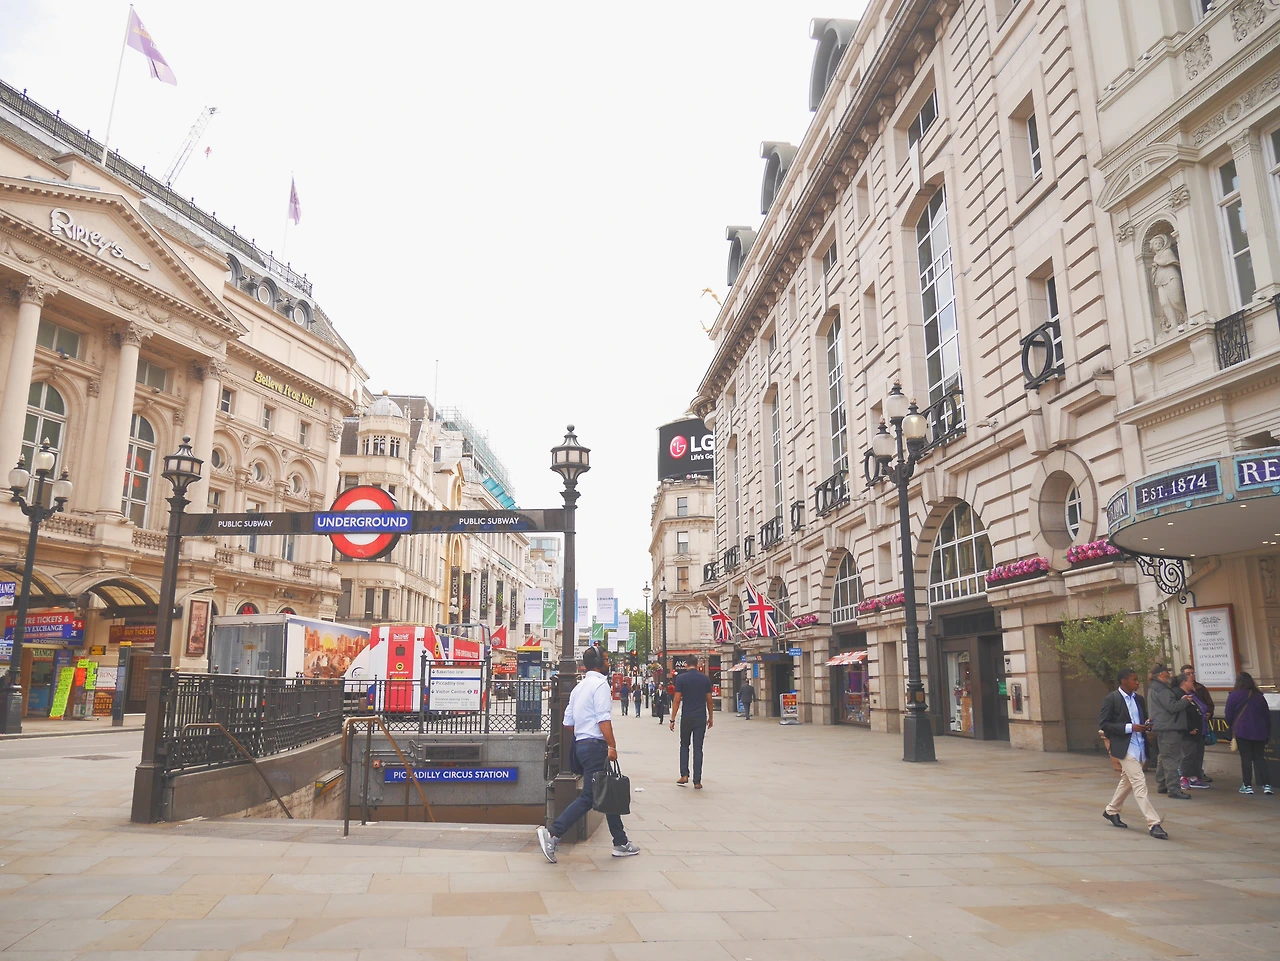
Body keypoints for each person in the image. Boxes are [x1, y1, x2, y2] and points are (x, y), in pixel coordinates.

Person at [537, 646, 640, 862]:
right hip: (595, 747)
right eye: (606, 659)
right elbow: (603, 719)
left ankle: (620, 842)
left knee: (607, 790)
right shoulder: (600, 685)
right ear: (598, 663)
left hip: (581, 745)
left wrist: (584, 732)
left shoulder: (579, 687)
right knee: (590, 796)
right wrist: (612, 746)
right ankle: (553, 833)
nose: (608, 663)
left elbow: (567, 722)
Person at [1099, 668, 1167, 839]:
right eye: (1134, 680)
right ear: (1124, 681)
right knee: (1139, 783)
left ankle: (1111, 810)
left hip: (1140, 746)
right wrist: (1130, 727)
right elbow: (1105, 724)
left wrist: (1146, 724)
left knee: (1127, 781)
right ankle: (1154, 823)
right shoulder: (1112, 699)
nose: (1137, 682)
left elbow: (1142, 720)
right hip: (1124, 747)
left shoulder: (1139, 699)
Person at [1147, 664, 1193, 799]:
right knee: (1171, 759)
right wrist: (1185, 701)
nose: (1169, 675)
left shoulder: (1154, 687)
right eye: (1167, 672)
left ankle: (1162, 784)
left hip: (1162, 727)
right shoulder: (1162, 689)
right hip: (1169, 727)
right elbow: (1172, 707)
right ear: (1161, 674)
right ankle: (1173, 789)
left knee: (1164, 757)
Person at [1224, 672, 1273, 796]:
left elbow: (1228, 715)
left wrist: (1232, 727)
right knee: (1260, 758)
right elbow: (1266, 715)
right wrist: (1267, 731)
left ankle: (1247, 785)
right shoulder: (1259, 696)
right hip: (1260, 731)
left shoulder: (1234, 695)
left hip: (1242, 731)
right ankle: (1267, 785)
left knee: (1245, 758)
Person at [670, 661, 714, 789]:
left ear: (686, 665)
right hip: (700, 717)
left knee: (684, 745)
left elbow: (677, 700)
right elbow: (709, 701)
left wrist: (672, 719)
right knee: (698, 748)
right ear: (697, 664)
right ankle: (697, 781)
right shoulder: (705, 679)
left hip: (687, 717)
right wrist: (711, 717)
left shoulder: (681, 678)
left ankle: (684, 774)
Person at [1179, 664, 1215, 784]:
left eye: (1192, 673)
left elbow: (1209, 703)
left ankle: (1198, 775)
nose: (1191, 675)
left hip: (1202, 726)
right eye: (1188, 674)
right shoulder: (1180, 692)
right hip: (1190, 729)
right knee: (1189, 754)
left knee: (1199, 753)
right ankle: (1187, 776)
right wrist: (1190, 727)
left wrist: (1209, 713)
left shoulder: (1200, 688)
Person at [1176, 672, 1208, 792]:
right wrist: (1189, 728)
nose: (1193, 683)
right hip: (1188, 732)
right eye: (1191, 681)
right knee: (1188, 755)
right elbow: (1182, 714)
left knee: (1195, 755)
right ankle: (1184, 777)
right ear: (1184, 682)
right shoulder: (1179, 695)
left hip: (1199, 730)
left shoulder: (1192, 694)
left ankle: (1193, 777)